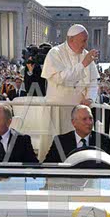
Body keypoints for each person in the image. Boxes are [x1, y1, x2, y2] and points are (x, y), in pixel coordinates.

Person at [40, 24, 100, 157]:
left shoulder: (85, 55)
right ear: (71, 39)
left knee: (80, 150)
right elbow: (62, 78)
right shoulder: (55, 53)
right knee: (56, 151)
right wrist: (83, 64)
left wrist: (90, 98)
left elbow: (93, 82)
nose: (85, 45)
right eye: (83, 41)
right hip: (58, 110)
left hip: (79, 113)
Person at [44, 104, 110, 163]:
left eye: (91, 118)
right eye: (84, 119)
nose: (89, 122)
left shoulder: (103, 140)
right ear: (74, 122)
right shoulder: (60, 141)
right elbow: (48, 166)